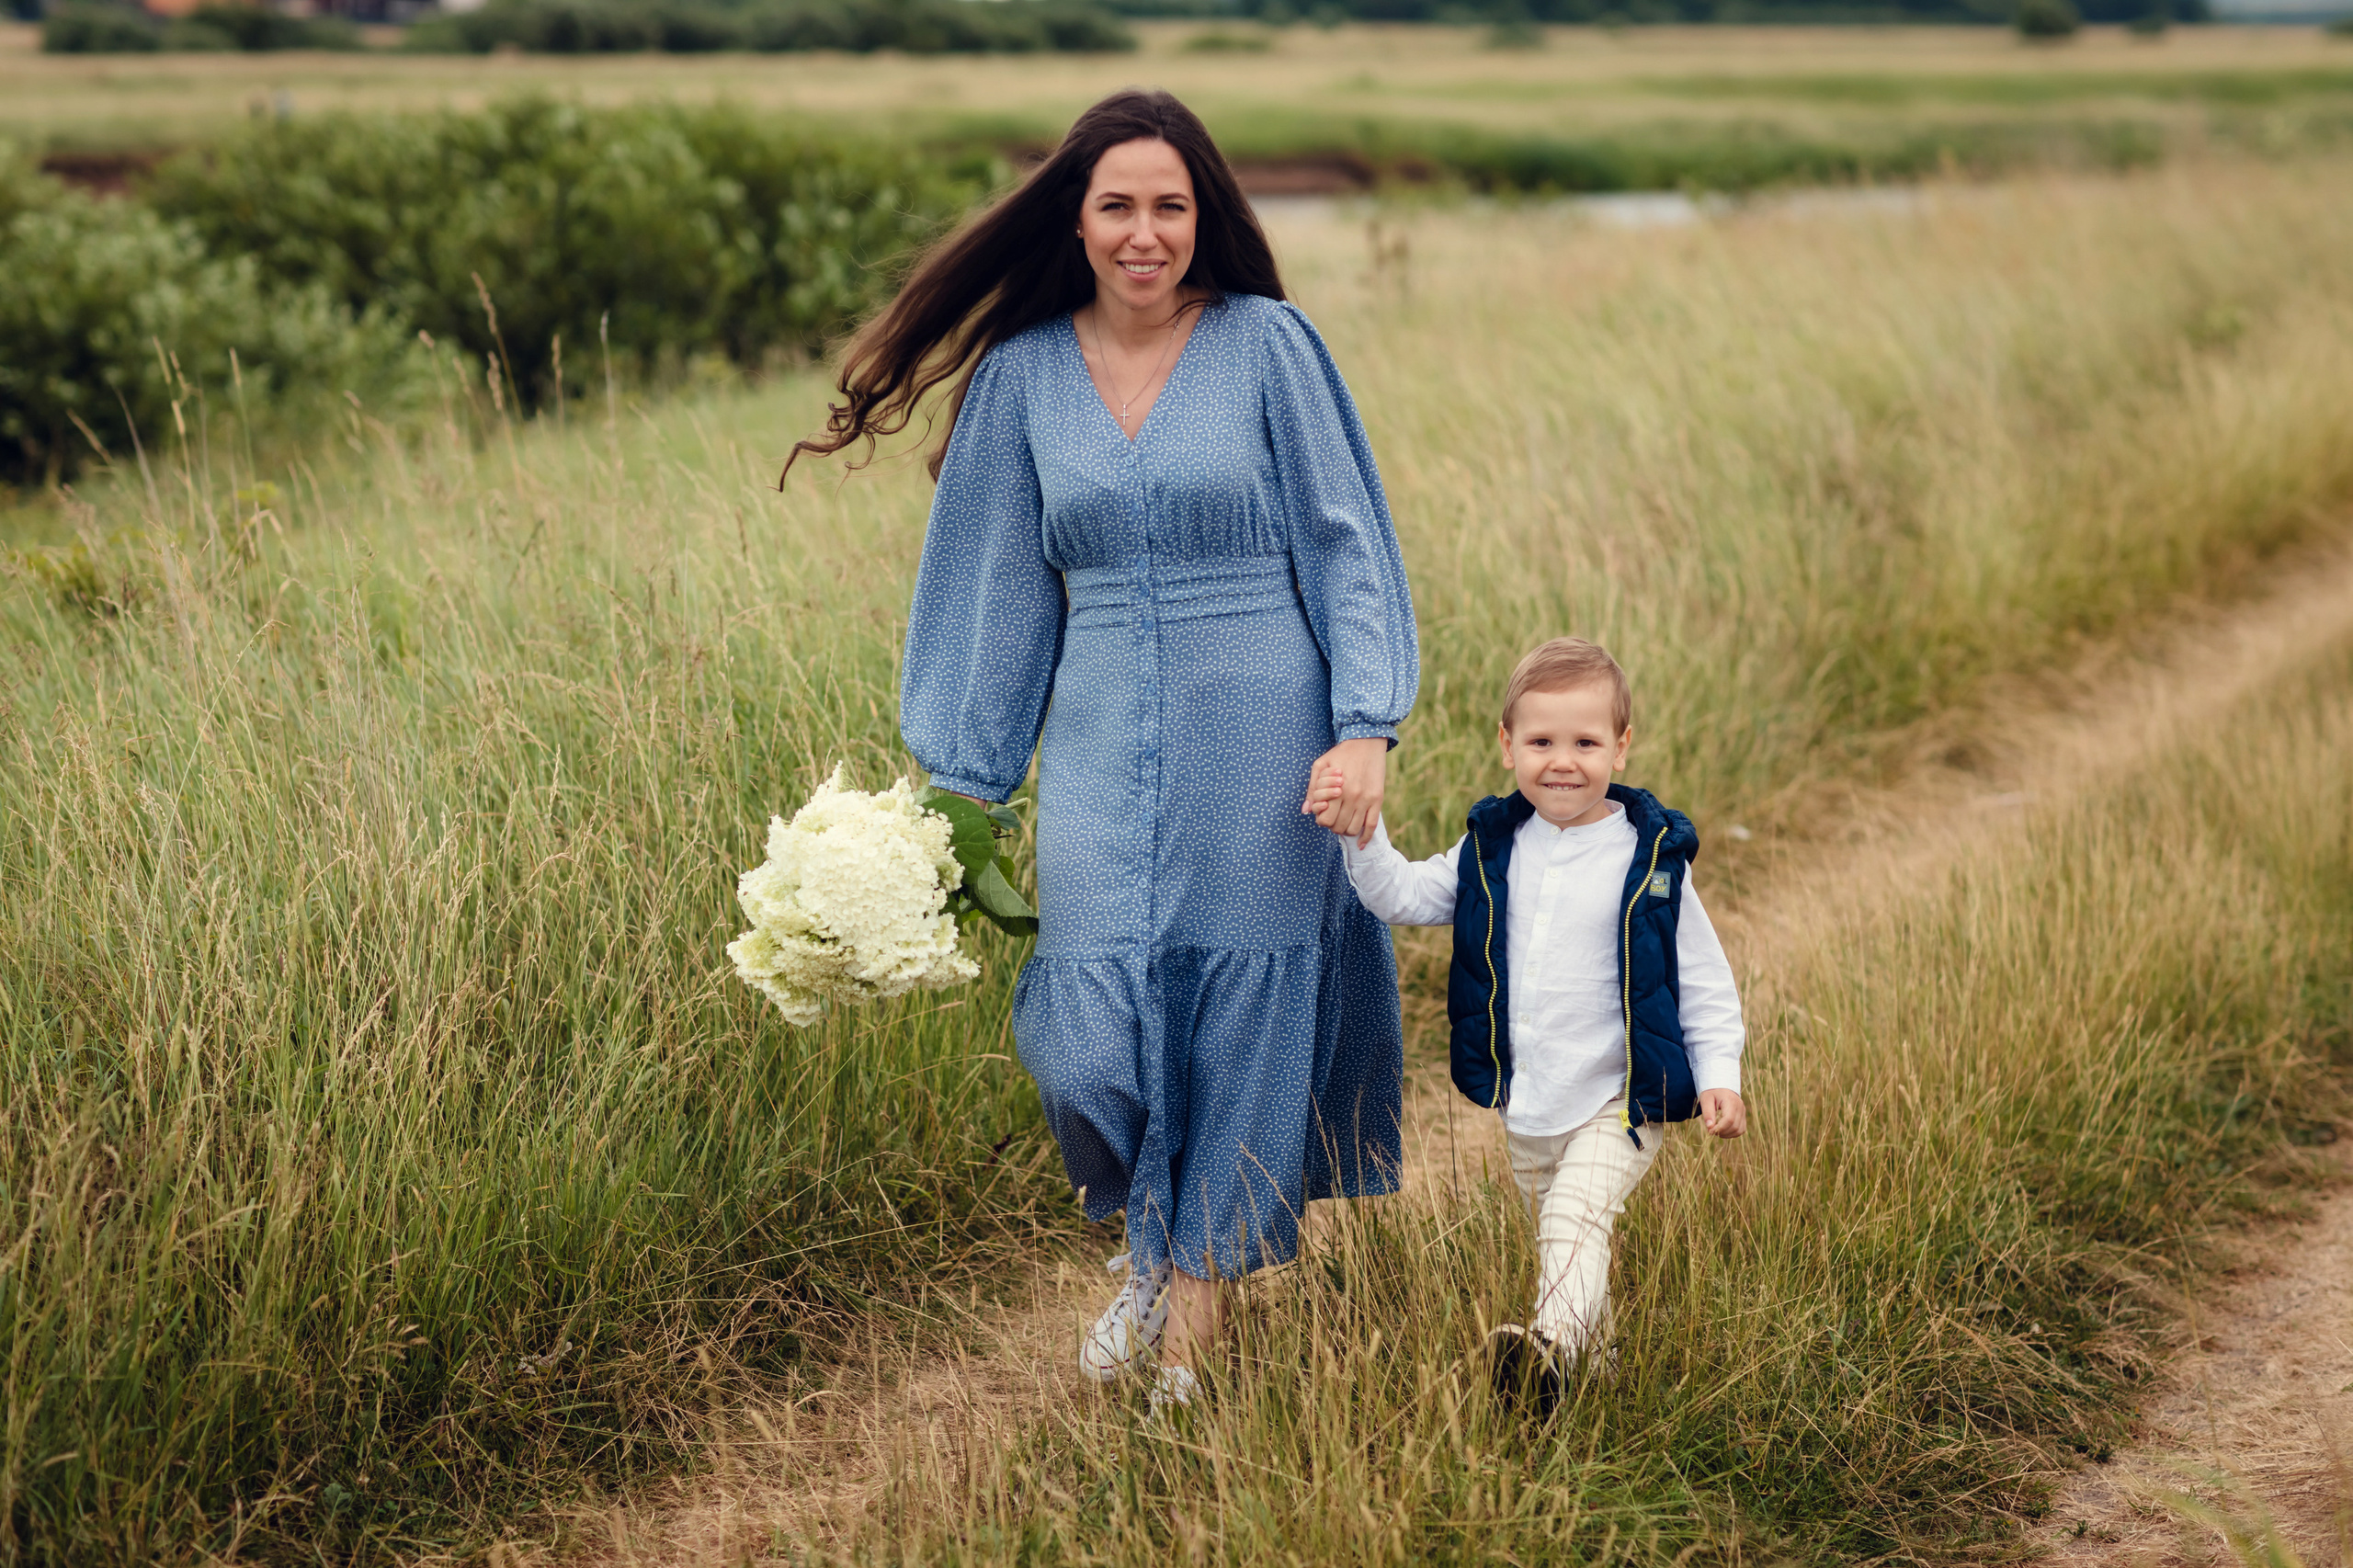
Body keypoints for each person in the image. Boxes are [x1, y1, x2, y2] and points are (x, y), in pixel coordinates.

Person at [782, 90, 1418, 1414]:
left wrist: (1367, 727)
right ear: (1076, 220)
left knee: (1241, 1014)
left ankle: (1190, 1328)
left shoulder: (1268, 346)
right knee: (1089, 1045)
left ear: (1205, 220)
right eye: (1119, 206)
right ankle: (1152, 1240)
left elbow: (1344, 542)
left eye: (1170, 206)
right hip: (1095, 745)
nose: (1146, 233)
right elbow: (993, 586)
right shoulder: (1022, 376)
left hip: (1268, 733)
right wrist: (955, 786)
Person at [1307, 636, 1745, 1411]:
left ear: (1622, 746)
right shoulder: (1491, 850)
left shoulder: (1649, 863)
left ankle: (1539, 1357)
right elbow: (1403, 897)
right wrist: (1361, 836)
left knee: (1576, 1221)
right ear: (1508, 746)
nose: (1563, 761)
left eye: (1586, 742)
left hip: (1623, 1100)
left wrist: (1719, 1076)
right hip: (1530, 1103)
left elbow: (1705, 983)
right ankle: (1594, 1371)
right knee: (1569, 1243)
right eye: (1541, 742)